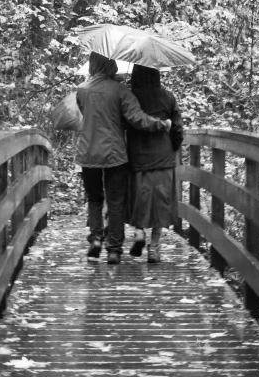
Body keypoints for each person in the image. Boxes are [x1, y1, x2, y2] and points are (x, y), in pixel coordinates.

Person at [76, 52, 171, 265]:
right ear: (111, 65)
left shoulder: (81, 90)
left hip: (88, 153)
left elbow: (88, 114)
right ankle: (114, 249)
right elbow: (137, 119)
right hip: (114, 153)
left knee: (94, 199)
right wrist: (161, 124)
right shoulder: (120, 90)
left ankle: (95, 239)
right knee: (115, 200)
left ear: (92, 65)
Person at [126, 64, 184, 263]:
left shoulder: (130, 96)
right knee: (161, 200)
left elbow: (124, 122)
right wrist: (174, 146)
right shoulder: (168, 97)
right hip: (163, 155)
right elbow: (177, 127)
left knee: (140, 196)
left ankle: (139, 231)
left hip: (138, 155)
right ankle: (154, 248)